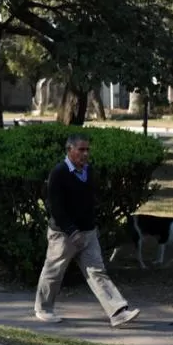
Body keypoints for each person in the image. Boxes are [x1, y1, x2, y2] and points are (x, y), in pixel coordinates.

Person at [34, 133, 141, 328]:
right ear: (70, 150)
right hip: (63, 234)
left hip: (88, 233)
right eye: (81, 150)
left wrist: (91, 227)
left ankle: (117, 312)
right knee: (54, 271)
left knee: (97, 272)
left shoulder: (88, 172)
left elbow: (90, 202)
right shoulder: (59, 173)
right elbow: (56, 208)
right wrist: (72, 231)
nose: (85, 154)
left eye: (87, 150)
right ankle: (43, 308)